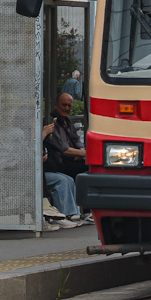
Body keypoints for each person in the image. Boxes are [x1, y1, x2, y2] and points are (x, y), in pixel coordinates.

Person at [43, 93, 91, 225]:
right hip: (60, 162)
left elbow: (76, 141)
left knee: (86, 168)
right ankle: (81, 211)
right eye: (64, 105)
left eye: (69, 105)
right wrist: (84, 154)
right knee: (84, 170)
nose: (67, 108)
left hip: (69, 159)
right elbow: (63, 149)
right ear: (56, 105)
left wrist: (81, 151)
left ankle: (78, 211)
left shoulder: (67, 122)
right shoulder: (53, 123)